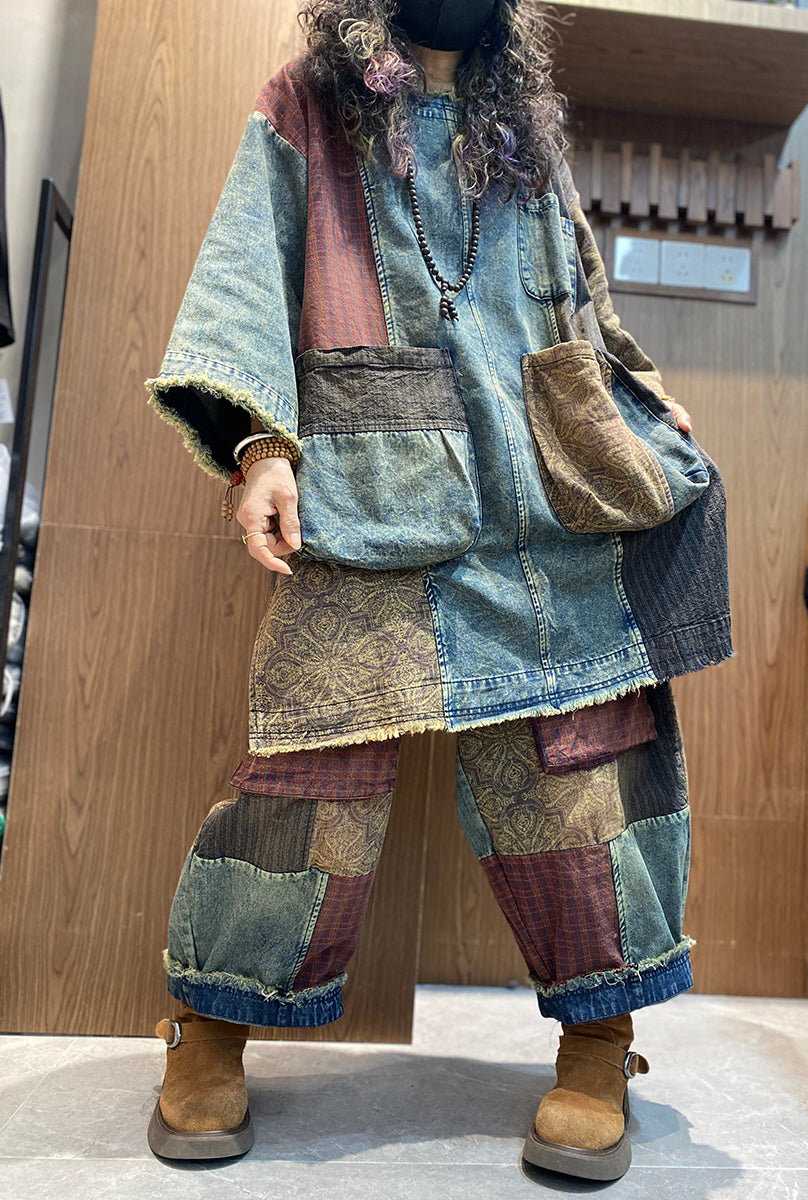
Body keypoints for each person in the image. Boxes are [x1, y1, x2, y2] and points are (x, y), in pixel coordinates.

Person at [143, 0, 732, 1181]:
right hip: (368, 487)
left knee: (581, 766)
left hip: (538, 494)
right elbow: (246, 273)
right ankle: (210, 1024)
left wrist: (636, 389)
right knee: (309, 771)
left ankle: (598, 1041)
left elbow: (582, 298)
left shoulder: (526, 125)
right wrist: (260, 448)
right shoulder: (309, 102)